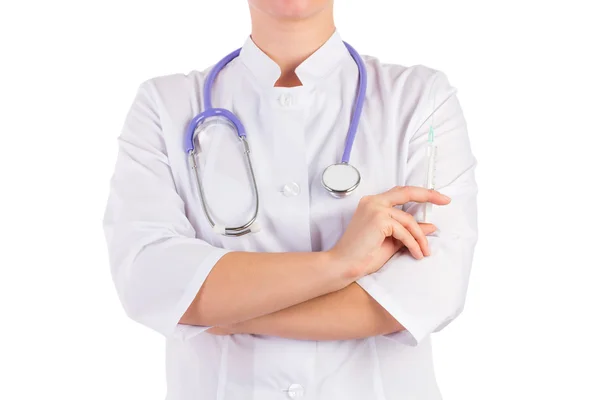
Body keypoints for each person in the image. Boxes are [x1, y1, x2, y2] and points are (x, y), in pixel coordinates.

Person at [103, 0, 478, 398]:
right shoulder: (165, 105)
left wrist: (227, 314)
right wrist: (338, 264)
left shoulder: (418, 100)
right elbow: (148, 278)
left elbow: (430, 292)